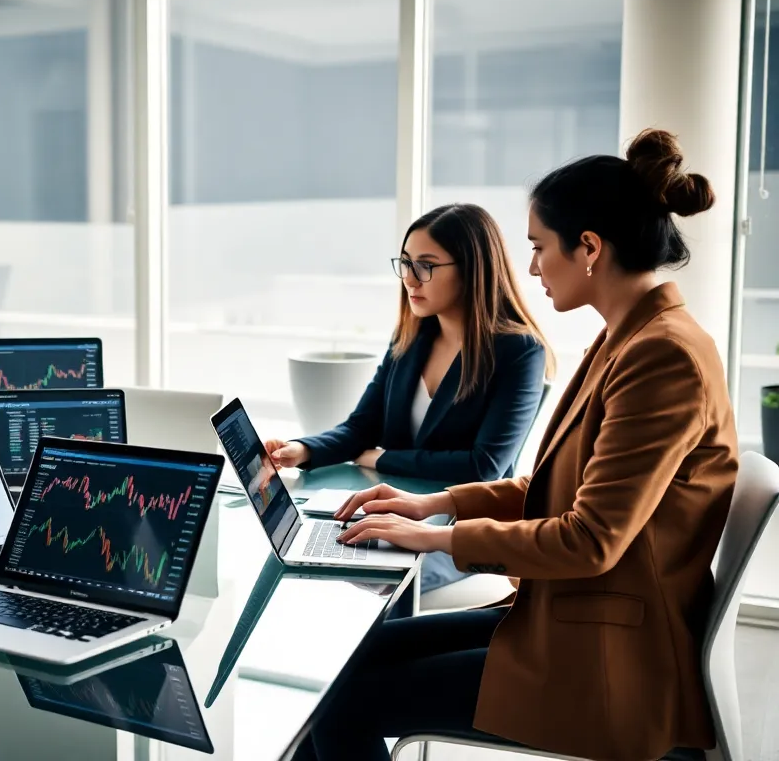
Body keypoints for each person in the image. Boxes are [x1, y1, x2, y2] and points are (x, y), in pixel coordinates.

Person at [297, 129, 738, 761]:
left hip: (605, 655)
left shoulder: (661, 355)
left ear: (589, 248)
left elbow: (589, 538)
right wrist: (431, 505)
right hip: (568, 617)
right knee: (339, 664)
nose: (531, 268)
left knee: (341, 699)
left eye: (539, 248)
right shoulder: (626, 339)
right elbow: (553, 490)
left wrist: (438, 538)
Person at [264, 202, 552, 592]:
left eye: (426, 266)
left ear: (472, 269)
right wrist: (302, 450)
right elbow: (361, 427)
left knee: (367, 588)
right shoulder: (410, 339)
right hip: (394, 513)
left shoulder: (519, 352)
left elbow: (484, 467)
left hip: (460, 530)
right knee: (307, 568)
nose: (411, 279)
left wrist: (384, 459)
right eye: (405, 263)